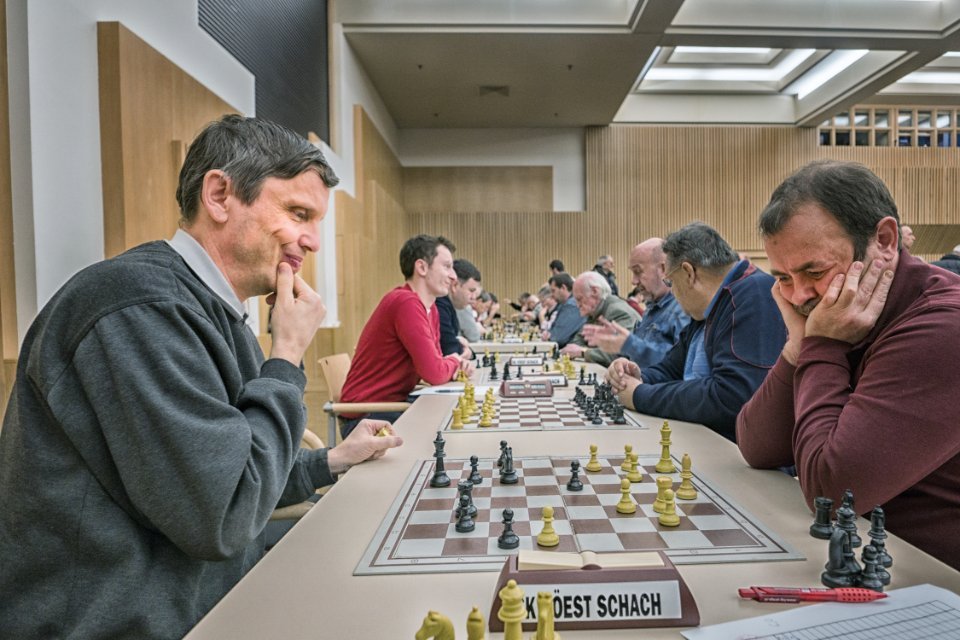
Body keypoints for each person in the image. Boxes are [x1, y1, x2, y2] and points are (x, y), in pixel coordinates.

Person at [0, 115, 403, 639]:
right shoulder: (137, 307)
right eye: (297, 213)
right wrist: (285, 356)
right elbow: (224, 512)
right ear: (219, 195)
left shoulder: (208, 310)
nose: (312, 241)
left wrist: (331, 460)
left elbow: (233, 469)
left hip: (204, 608)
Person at [736, 160, 960, 571]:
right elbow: (758, 446)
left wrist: (822, 346)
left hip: (937, 583)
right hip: (875, 565)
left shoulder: (945, 327)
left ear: (885, 240)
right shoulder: (843, 318)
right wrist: (799, 346)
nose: (799, 296)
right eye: (783, 278)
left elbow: (831, 491)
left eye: (815, 271)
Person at [607, 223, 786, 442]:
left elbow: (731, 396)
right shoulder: (707, 309)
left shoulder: (753, 295)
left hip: (736, 453)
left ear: (688, 273)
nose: (672, 292)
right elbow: (671, 368)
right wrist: (635, 376)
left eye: (671, 282)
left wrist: (639, 395)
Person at [339, 235, 474, 437]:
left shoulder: (431, 310)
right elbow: (434, 373)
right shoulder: (406, 303)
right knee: (451, 433)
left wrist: (450, 365)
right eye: (447, 266)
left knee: (453, 424)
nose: (453, 276)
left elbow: (436, 364)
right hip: (367, 419)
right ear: (422, 267)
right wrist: (455, 360)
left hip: (391, 407)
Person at [582, 238, 690, 369]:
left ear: (664, 269)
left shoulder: (682, 310)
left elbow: (679, 365)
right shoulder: (651, 308)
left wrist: (629, 345)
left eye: (638, 272)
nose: (633, 281)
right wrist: (621, 362)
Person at [560, 271, 640, 365]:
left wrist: (583, 352)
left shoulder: (618, 312)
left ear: (595, 291)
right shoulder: (594, 312)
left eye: (580, 299)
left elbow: (619, 353)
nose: (577, 305)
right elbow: (577, 342)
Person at [437, 258, 482, 355]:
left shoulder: (448, 307)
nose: (473, 297)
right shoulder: (439, 306)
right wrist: (469, 352)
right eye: (471, 290)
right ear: (454, 286)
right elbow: (451, 350)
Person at [542, 272, 585, 348]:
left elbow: (558, 338)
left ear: (563, 288)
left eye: (553, 290)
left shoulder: (571, 305)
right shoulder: (564, 304)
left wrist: (550, 335)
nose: (552, 295)